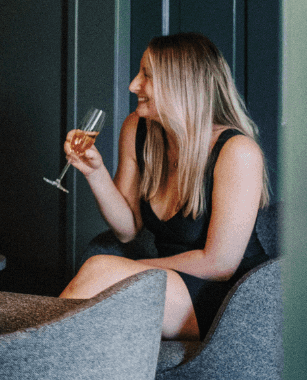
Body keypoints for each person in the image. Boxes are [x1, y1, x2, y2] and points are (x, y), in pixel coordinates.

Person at [59, 32, 269, 339]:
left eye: (147, 75)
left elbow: (220, 264)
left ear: (181, 84)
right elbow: (127, 229)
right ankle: (36, 365)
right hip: (171, 282)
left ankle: (23, 361)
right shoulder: (138, 129)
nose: (133, 85)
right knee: (97, 284)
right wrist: (95, 172)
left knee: (101, 271)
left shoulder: (237, 151)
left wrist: (128, 270)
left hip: (231, 297)